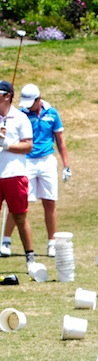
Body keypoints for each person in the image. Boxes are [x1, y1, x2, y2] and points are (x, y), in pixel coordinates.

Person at [1, 83, 71, 259]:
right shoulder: (22, 114)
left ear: (38, 99)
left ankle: (52, 242)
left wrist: (66, 164)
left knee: (49, 201)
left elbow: (60, 140)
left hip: (47, 160)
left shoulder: (52, 113)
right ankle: (6, 240)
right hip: (27, 161)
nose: (27, 106)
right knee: (19, 204)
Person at [0, 80, 34, 267]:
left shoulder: (21, 118)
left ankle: (30, 258)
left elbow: (28, 146)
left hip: (14, 174)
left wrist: (7, 145)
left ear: (8, 96)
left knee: (20, 217)